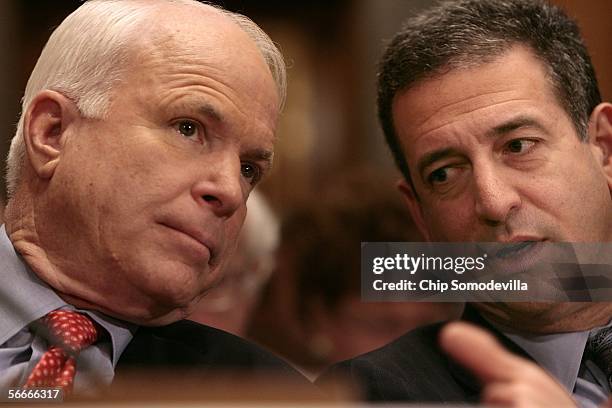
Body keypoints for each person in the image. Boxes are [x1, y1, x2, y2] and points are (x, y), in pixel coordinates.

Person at [0, 0, 302, 397]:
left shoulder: (265, 393)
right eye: (189, 129)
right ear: (53, 133)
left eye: (249, 169)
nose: (230, 191)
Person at [318, 0, 612, 406]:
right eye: (444, 173)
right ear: (419, 213)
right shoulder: (371, 395)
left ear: (604, 148)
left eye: (518, 146)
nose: (493, 202)